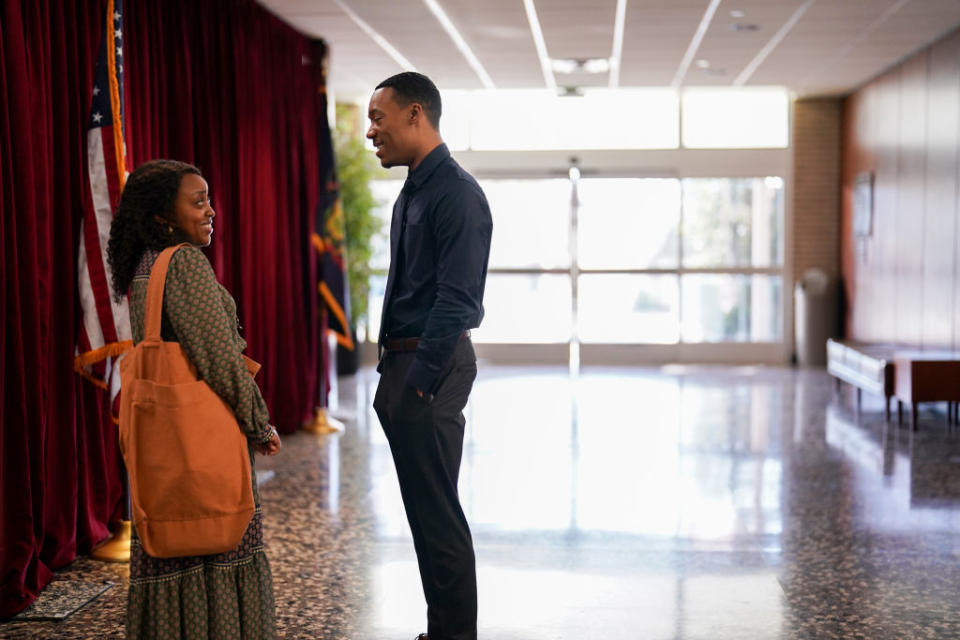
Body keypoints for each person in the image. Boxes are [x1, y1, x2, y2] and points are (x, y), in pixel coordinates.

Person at [107, 159, 281, 639]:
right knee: (220, 534)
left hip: (160, 444)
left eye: (210, 199)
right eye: (198, 201)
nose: (211, 211)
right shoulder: (183, 263)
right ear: (164, 215)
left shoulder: (142, 266)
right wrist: (259, 422)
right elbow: (221, 359)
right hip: (206, 437)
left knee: (168, 537)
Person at [367, 72, 493, 640]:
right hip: (404, 368)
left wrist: (418, 382)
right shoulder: (416, 188)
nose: (372, 133)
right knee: (425, 512)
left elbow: (458, 299)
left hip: (430, 370)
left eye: (379, 118)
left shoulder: (457, 194)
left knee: (438, 514)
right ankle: (442, 630)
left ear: (416, 114)